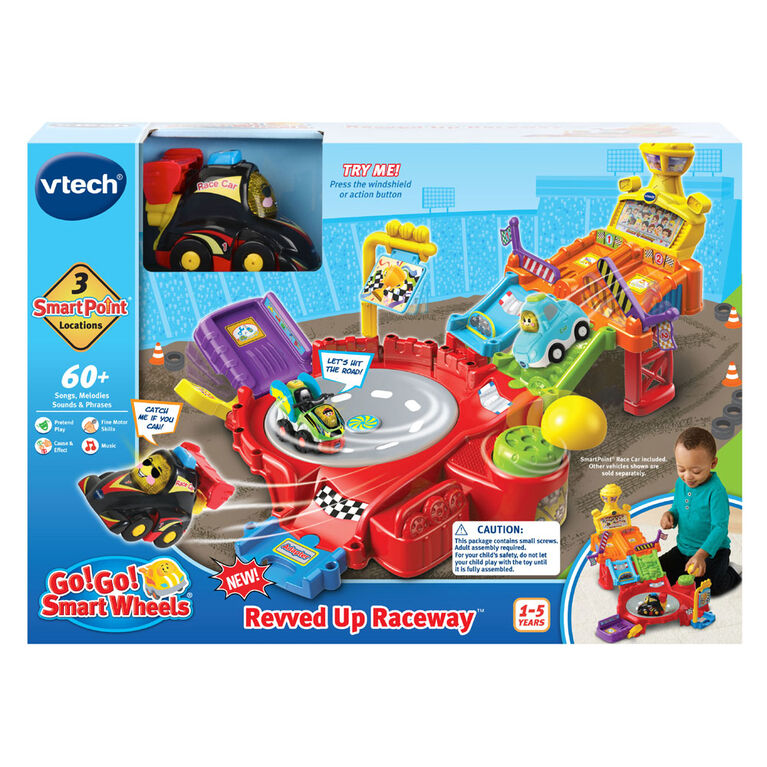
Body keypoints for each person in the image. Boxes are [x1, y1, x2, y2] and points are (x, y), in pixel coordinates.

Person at [659, 426, 741, 595]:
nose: (688, 476)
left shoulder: (716, 492)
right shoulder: (681, 483)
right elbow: (677, 508)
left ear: (713, 463)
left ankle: (732, 571)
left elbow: (720, 528)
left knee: (707, 588)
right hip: (684, 549)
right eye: (681, 469)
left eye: (696, 471)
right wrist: (670, 515)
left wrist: (701, 555)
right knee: (659, 573)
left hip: (712, 553)